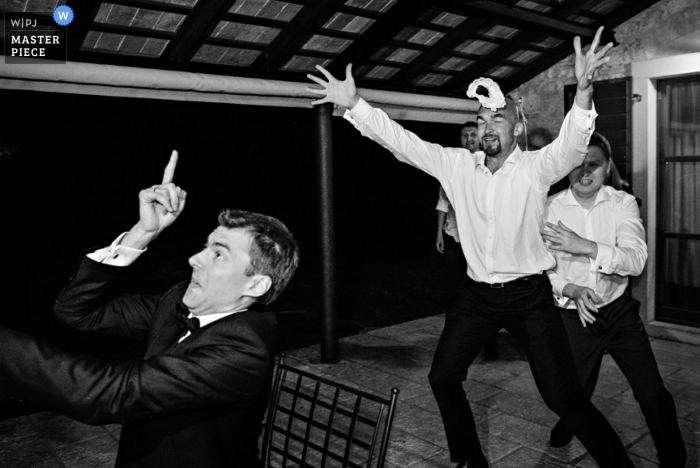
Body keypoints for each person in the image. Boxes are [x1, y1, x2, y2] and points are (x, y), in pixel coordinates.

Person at [307, 27, 637, 468]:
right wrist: (355, 106)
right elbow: (403, 144)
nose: (486, 128)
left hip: (529, 298)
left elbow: (573, 145)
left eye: (496, 119)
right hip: (476, 297)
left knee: (563, 398)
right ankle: (470, 459)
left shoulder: (535, 169)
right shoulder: (457, 165)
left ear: (517, 126)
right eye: (480, 121)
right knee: (443, 377)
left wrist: (584, 89)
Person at [0, 151, 300, 468]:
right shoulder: (177, 301)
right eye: (205, 247)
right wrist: (143, 233)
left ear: (256, 286)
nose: (195, 260)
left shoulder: (244, 349)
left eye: (219, 255)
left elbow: (109, 393)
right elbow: (77, 312)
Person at [542, 132, 686, 466]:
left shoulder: (623, 203)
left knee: (652, 393)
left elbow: (636, 260)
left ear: (607, 168)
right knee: (572, 392)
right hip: (572, 315)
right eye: (577, 165)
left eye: (593, 164)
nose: (584, 172)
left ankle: (674, 458)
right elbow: (542, 270)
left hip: (619, 313)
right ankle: (569, 421)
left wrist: (587, 247)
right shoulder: (550, 207)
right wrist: (571, 290)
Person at [435, 121, 498, 360]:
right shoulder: (452, 166)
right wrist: (439, 232)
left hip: (481, 242)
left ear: (480, 139)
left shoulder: (489, 165)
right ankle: (454, 340)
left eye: (473, 134)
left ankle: (489, 343)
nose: (469, 139)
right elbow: (442, 202)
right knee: (454, 292)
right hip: (455, 239)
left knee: (484, 291)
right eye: (464, 136)